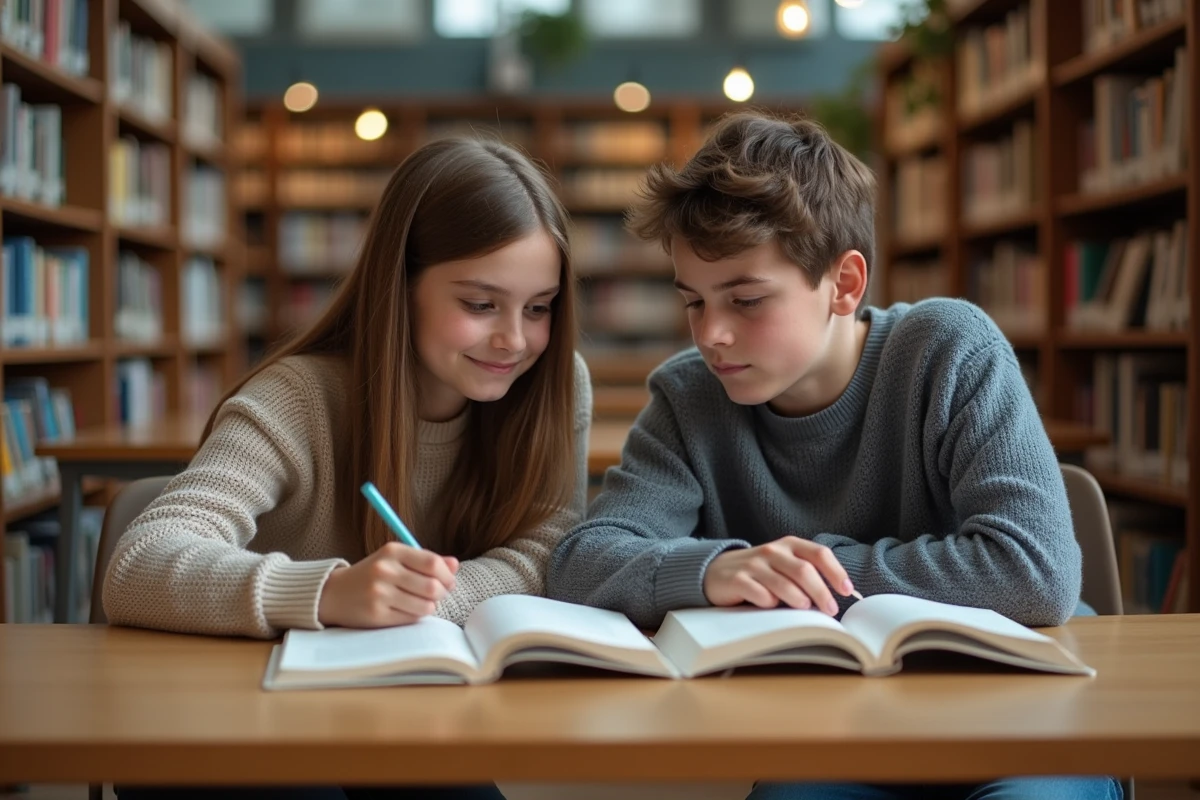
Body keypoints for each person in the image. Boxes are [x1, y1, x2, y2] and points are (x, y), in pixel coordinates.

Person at [546, 112, 1120, 800]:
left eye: (747, 299)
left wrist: (810, 575)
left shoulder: (949, 350)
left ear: (844, 284)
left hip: (1021, 720)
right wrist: (722, 567)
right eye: (694, 301)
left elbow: (1035, 572)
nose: (713, 334)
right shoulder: (690, 397)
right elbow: (583, 560)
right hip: (836, 732)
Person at [105, 136, 593, 800]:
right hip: (240, 714)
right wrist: (329, 595)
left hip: (404, 712)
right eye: (480, 305)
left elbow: (548, 546)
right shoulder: (297, 397)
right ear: (400, 287)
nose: (514, 338)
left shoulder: (556, 385)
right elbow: (140, 562)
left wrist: (434, 601)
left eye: (538, 308)